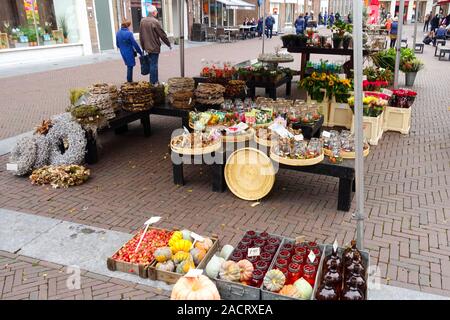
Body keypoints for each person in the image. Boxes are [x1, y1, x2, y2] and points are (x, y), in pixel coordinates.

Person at [139, 5, 171, 84]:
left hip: (146, 47)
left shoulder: (142, 21)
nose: (157, 13)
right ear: (153, 12)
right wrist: (168, 44)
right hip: (154, 47)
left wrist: (143, 46)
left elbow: (141, 35)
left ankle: (152, 80)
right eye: (156, 12)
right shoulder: (155, 22)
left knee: (151, 64)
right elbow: (162, 34)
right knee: (154, 65)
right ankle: (154, 82)